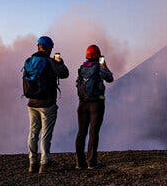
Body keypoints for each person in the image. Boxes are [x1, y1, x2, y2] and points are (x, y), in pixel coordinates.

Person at [25, 36, 69, 173]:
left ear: (38, 46)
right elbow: (64, 74)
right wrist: (60, 63)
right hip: (47, 104)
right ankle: (44, 164)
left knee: (33, 132)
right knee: (45, 134)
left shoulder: (30, 61)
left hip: (31, 103)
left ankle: (32, 163)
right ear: (49, 47)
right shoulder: (50, 62)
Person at [75, 45, 114, 169]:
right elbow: (110, 79)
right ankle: (91, 162)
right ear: (98, 56)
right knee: (93, 133)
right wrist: (105, 66)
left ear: (87, 55)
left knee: (81, 132)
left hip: (82, 104)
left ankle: (80, 163)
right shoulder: (99, 68)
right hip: (96, 104)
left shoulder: (81, 68)